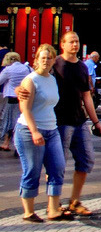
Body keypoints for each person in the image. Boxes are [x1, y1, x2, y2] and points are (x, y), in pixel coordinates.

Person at [14, 44, 71, 222]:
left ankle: (53, 209)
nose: (46, 61)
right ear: (36, 59)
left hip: (51, 129)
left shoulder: (52, 79)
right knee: (32, 169)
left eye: (49, 58)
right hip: (29, 130)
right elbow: (25, 108)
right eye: (43, 57)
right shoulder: (31, 80)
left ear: (54, 60)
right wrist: (34, 131)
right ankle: (29, 212)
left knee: (58, 167)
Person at [52, 28, 101, 216]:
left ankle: (75, 201)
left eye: (77, 41)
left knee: (86, 160)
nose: (74, 44)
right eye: (71, 41)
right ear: (62, 44)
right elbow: (37, 81)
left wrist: (96, 122)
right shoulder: (55, 63)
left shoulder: (83, 67)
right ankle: (54, 204)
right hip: (59, 121)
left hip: (79, 120)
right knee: (58, 164)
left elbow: (86, 96)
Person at [1, 52, 31, 152]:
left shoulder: (8, 70)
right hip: (25, 99)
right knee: (21, 121)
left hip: (11, 98)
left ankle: (7, 143)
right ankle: (18, 146)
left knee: (9, 122)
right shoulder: (27, 68)